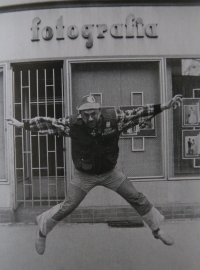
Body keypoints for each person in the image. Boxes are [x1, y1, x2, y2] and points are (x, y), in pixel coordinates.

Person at [6, 94, 182, 255]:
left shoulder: (115, 119)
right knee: (68, 206)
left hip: (110, 172)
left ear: (99, 111)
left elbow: (138, 113)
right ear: (80, 114)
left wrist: (165, 106)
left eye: (94, 114)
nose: (90, 118)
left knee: (136, 197)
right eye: (86, 115)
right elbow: (50, 123)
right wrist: (24, 124)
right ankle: (42, 231)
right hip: (84, 175)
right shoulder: (72, 124)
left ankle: (157, 229)